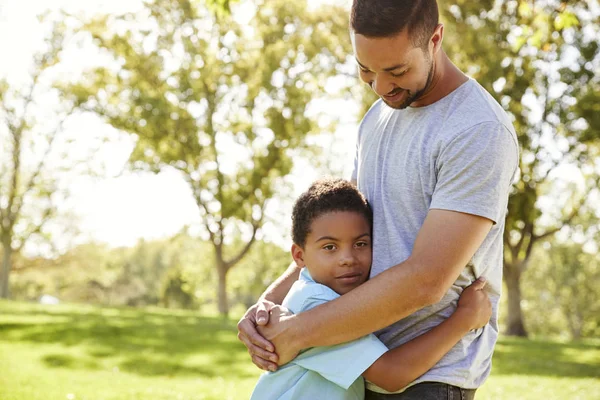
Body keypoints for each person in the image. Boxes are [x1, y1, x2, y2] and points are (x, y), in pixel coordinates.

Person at [238, 0, 520, 398]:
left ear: (435, 39)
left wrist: (297, 332)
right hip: (353, 361)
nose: (382, 87)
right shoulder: (376, 119)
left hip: (427, 378)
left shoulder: (477, 130)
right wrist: (267, 308)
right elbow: (338, 231)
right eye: (366, 69)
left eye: (397, 70)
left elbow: (426, 279)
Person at [250, 178, 491, 400]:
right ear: (299, 256)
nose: (348, 258)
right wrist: (463, 320)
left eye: (361, 243)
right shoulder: (313, 302)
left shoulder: (322, 294)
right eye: (330, 247)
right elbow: (392, 374)